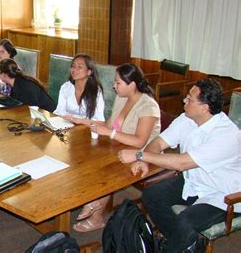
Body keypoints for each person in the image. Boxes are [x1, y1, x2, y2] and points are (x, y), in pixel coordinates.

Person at [119, 78, 240, 252]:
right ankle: (184, 244)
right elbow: (159, 143)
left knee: (187, 220)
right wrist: (144, 160)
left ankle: (176, 245)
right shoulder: (187, 118)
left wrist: (139, 154)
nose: (184, 100)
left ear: (204, 108)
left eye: (189, 99)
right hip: (195, 181)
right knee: (151, 195)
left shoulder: (226, 135)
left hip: (223, 194)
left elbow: (182, 163)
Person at [73, 63, 161, 232]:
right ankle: (92, 198)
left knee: (107, 167)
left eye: (118, 83)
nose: (114, 86)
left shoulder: (148, 106)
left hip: (145, 154)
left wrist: (110, 133)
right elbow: (109, 124)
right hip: (119, 146)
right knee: (86, 155)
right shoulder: (122, 98)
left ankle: (96, 213)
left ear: (132, 85)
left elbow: (140, 142)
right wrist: (88, 124)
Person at [54, 54, 105, 123]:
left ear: (89, 72)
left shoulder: (96, 91)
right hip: (67, 126)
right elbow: (59, 112)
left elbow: (100, 121)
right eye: (73, 66)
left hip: (88, 129)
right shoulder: (66, 87)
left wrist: (79, 121)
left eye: (80, 67)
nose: (74, 69)